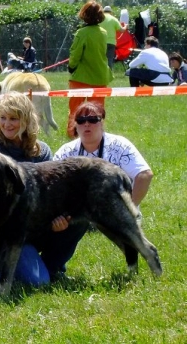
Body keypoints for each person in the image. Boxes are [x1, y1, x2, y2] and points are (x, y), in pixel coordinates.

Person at [0, 92, 87, 286]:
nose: (7, 124)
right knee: (23, 278)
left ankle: (50, 267)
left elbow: (52, 194)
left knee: (39, 280)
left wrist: (60, 219)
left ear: (27, 120)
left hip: (28, 230)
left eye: (14, 118)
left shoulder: (42, 151)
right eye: (3, 118)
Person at [54, 102, 153, 210]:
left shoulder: (120, 146)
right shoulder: (66, 152)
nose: (86, 124)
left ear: (102, 123)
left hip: (115, 214)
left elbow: (144, 174)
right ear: (76, 125)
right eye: (81, 120)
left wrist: (128, 209)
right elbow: (52, 184)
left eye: (92, 119)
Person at [67, 1, 113, 138]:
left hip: (81, 78)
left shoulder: (81, 33)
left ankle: (73, 134)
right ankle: (97, 134)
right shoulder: (103, 33)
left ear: (84, 15)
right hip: (100, 77)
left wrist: (71, 67)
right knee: (97, 111)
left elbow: (75, 54)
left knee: (75, 109)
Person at [101, 6, 128, 70]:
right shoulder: (114, 19)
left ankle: (99, 74)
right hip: (111, 43)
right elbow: (122, 30)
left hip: (100, 42)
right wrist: (126, 26)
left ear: (103, 11)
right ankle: (109, 75)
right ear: (111, 12)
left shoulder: (99, 19)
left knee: (100, 59)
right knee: (109, 59)